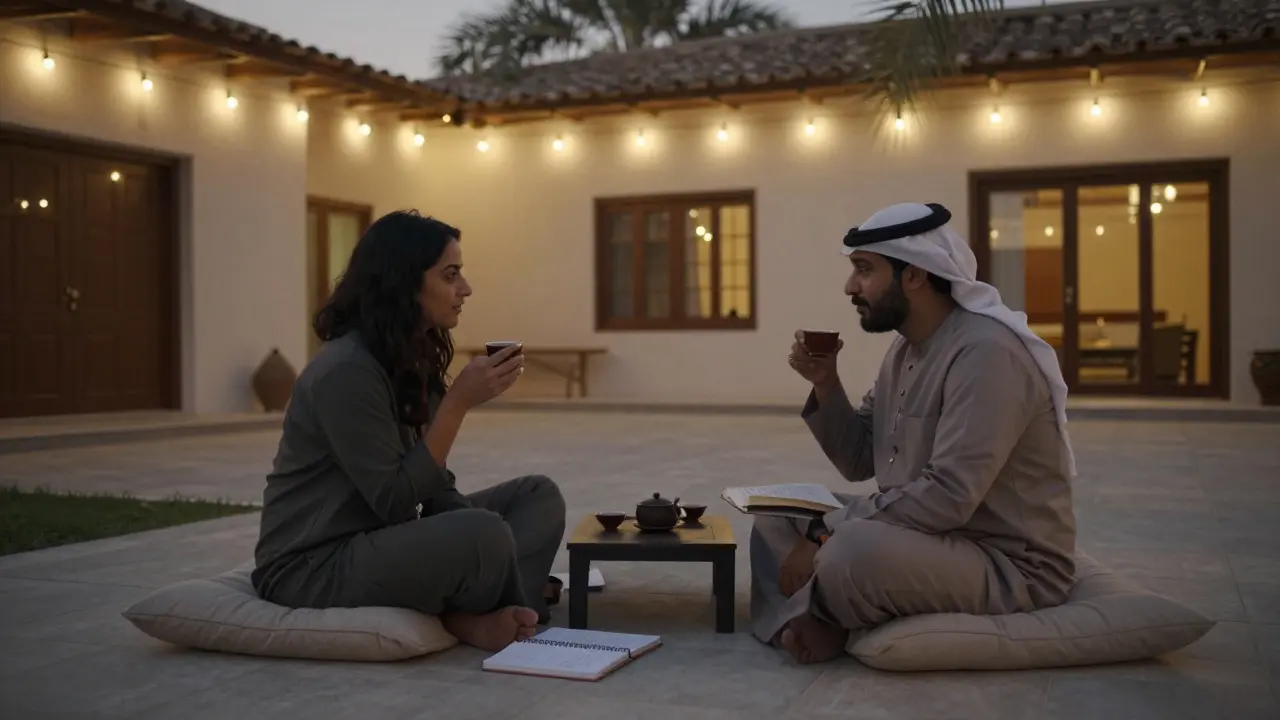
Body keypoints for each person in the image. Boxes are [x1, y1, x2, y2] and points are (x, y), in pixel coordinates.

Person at [750, 202, 1077, 664]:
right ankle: (812, 619)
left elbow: (948, 497)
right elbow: (861, 459)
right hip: (919, 533)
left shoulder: (985, 354)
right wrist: (826, 383)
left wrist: (825, 533)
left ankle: (819, 621)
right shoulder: (904, 347)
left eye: (864, 270)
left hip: (1001, 559)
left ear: (915, 275)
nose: (850, 287)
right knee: (777, 516)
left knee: (850, 551)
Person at [251, 210, 567, 652]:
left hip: (379, 538)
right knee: (485, 535)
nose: (466, 289)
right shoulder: (346, 371)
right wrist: (456, 405)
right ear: (404, 282)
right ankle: (485, 612)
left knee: (537, 496)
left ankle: (493, 608)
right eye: (450, 275)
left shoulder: (406, 355)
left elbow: (432, 485)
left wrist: (461, 523)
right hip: (313, 564)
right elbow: (394, 496)